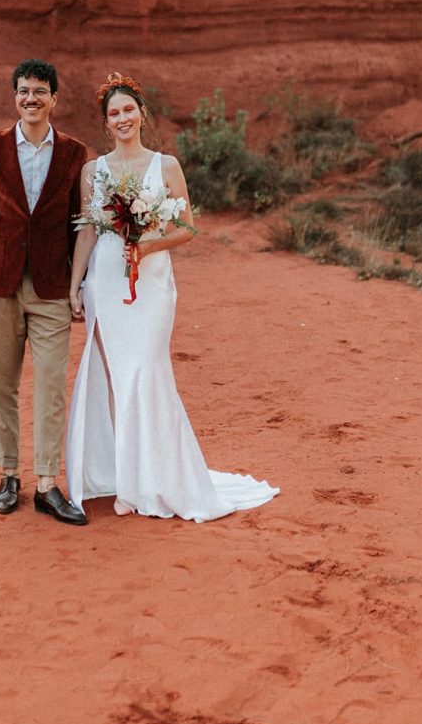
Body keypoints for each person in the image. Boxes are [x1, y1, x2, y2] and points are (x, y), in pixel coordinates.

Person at [65, 71, 280, 522]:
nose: (122, 119)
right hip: (106, 281)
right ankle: (126, 481)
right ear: (105, 124)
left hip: (152, 282)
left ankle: (156, 479)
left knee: (145, 371)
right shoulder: (93, 171)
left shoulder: (166, 166)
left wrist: (146, 245)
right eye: (113, 114)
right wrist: (74, 286)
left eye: (128, 110)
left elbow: (185, 227)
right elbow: (86, 231)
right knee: (116, 381)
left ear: (142, 114)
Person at [0, 59, 89, 525]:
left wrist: (82, 283)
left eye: (40, 91)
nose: (30, 99)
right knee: (3, 383)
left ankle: (48, 484)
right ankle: (9, 474)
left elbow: (79, 222)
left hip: (52, 286)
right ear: (15, 97)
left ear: (55, 98)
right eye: (23, 91)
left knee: (52, 385)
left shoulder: (74, 153)